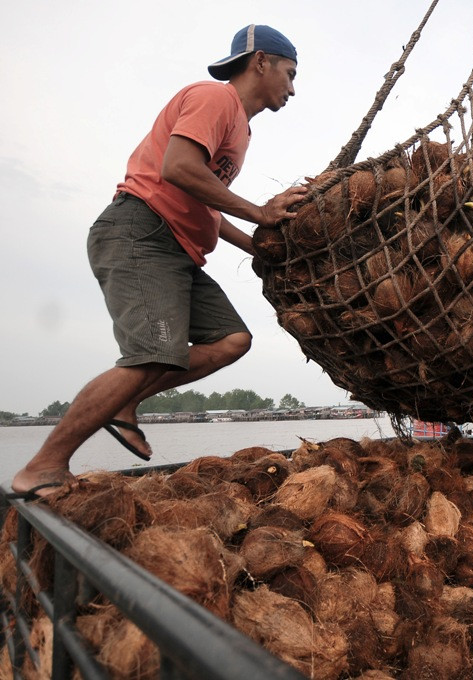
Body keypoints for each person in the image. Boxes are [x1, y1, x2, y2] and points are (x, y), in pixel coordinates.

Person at [10, 25, 308, 499]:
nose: (293, 88)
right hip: (143, 232)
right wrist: (259, 212)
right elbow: (177, 169)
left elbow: (206, 202)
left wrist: (259, 245)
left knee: (231, 340)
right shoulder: (216, 99)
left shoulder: (240, 131)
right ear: (260, 62)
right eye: (290, 74)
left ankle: (125, 405)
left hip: (182, 250)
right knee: (153, 353)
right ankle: (43, 466)